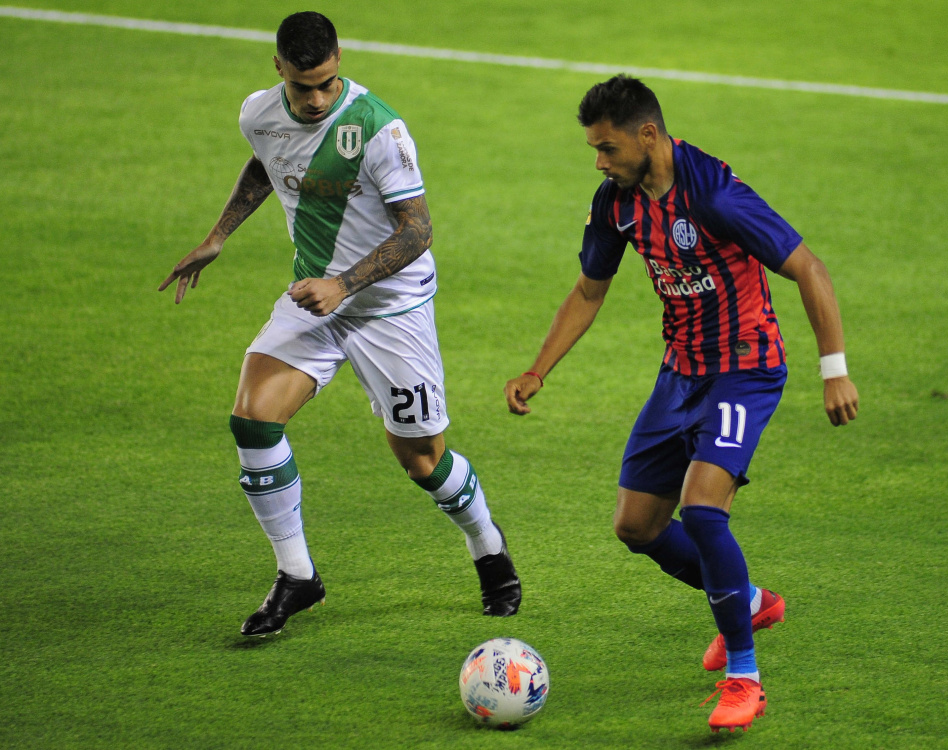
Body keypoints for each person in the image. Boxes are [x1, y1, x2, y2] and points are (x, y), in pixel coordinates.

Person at [504, 75, 858, 733]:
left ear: (647, 135)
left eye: (607, 148)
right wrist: (538, 369)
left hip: (746, 370)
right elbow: (589, 290)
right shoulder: (618, 203)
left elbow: (809, 267)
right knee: (636, 527)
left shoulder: (716, 194)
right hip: (680, 375)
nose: (600, 162)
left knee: (701, 511)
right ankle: (748, 601)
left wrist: (833, 370)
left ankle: (745, 678)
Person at [159, 11, 520, 637]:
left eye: (328, 83)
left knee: (423, 462)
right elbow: (265, 162)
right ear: (279, 70)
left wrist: (346, 284)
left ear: (340, 60)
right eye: (303, 88)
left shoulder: (378, 129)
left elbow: (419, 230)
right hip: (313, 299)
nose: (317, 99)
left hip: (390, 307)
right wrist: (218, 236)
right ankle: (297, 576)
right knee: (253, 418)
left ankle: (488, 547)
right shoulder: (258, 112)